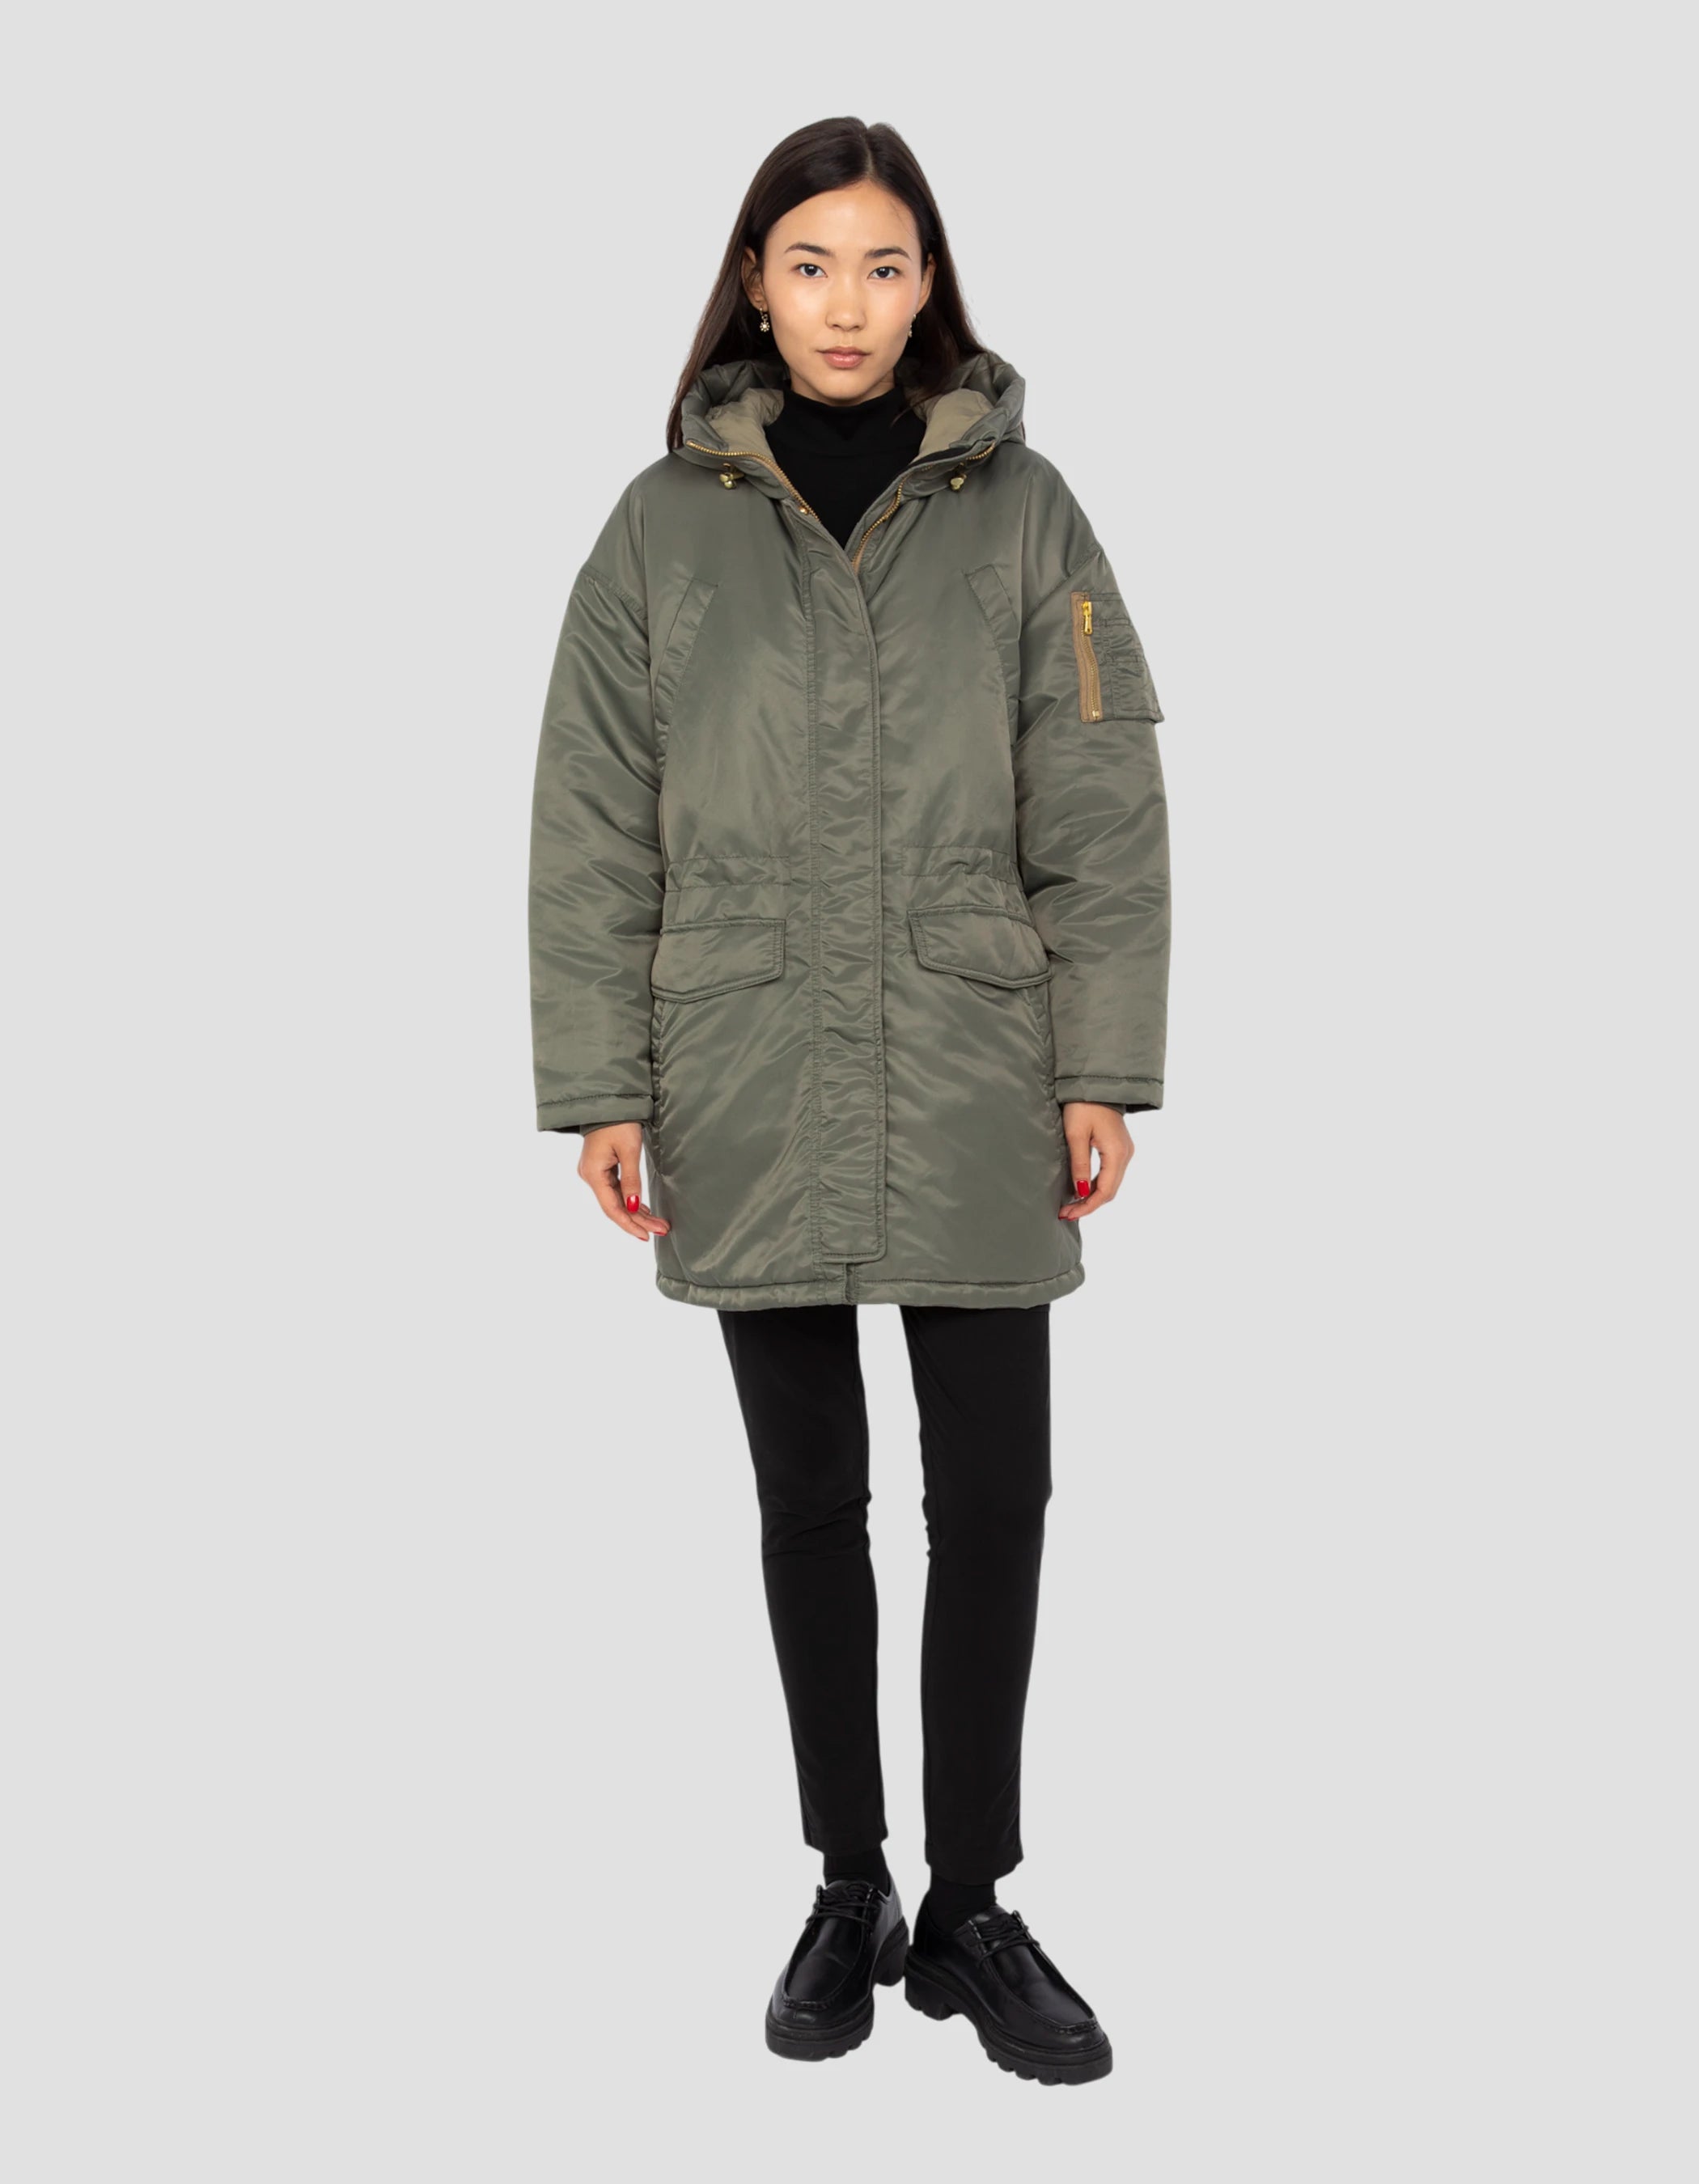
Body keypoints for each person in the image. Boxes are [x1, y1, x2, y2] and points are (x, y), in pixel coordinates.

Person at [527, 116, 1170, 2088]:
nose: (847, 304)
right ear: (754, 280)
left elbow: (1101, 798)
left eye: (884, 266)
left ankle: (971, 1904)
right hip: (743, 1056)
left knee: (996, 1500)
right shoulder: (660, 527)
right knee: (808, 1501)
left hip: (976, 1056)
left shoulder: (1028, 513)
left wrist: (1101, 1061)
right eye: (810, 263)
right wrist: (601, 1083)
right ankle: (849, 1882)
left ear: (928, 284)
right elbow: (591, 819)